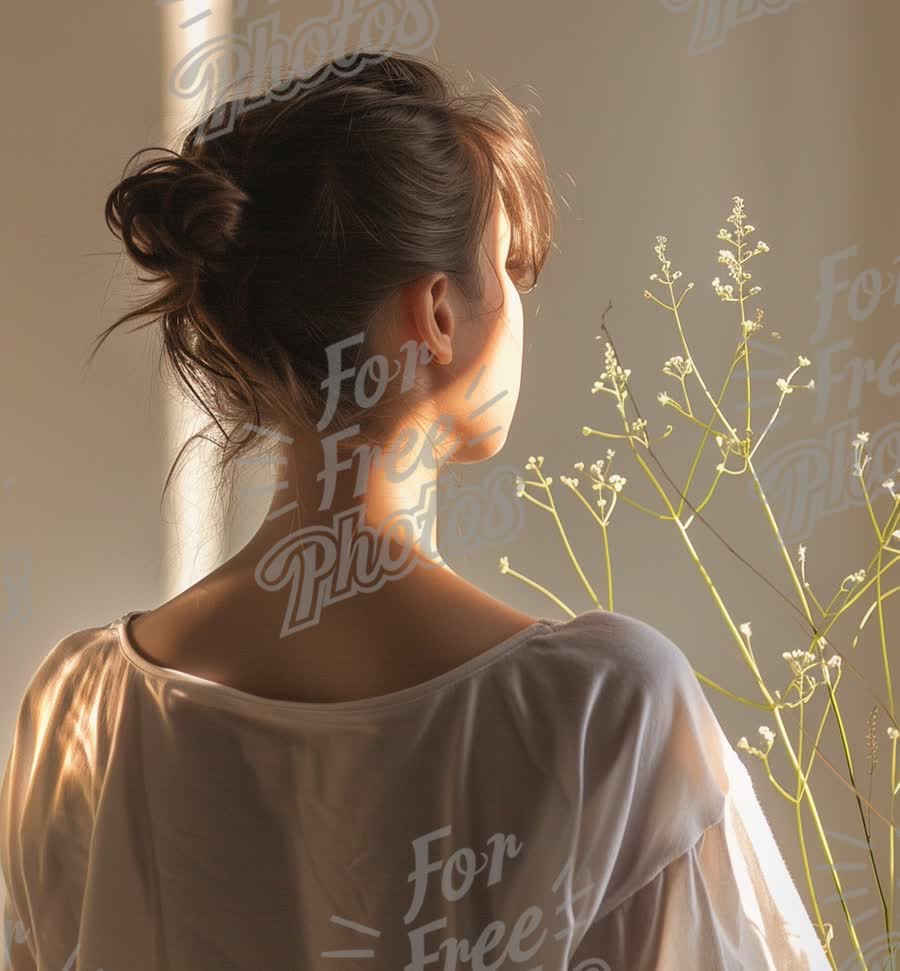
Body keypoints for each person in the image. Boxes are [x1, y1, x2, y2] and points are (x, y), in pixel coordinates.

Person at [0, 52, 831, 970]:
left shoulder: (82, 711)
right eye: (509, 267)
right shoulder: (608, 715)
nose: (522, 306)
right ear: (436, 312)